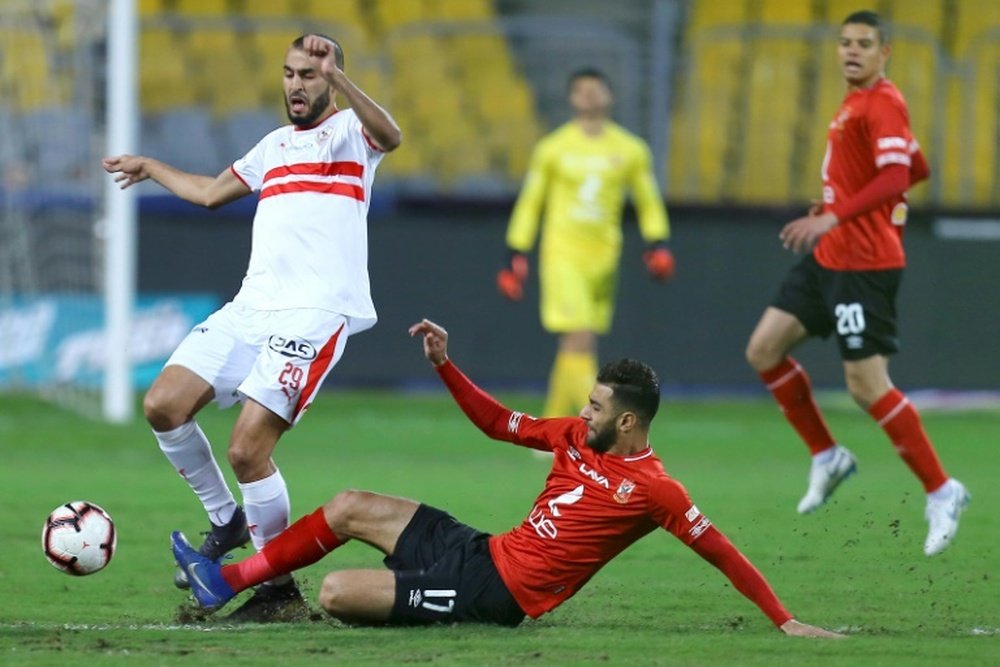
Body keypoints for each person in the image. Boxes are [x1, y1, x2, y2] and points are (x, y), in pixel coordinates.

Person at [172, 318, 842, 638]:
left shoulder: (655, 489)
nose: (584, 412)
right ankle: (223, 579)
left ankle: (393, 601)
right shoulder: (577, 436)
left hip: (499, 595)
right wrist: (445, 363)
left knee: (341, 591)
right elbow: (498, 423)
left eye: (598, 407)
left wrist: (783, 619)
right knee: (349, 504)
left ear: (631, 420)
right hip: (483, 551)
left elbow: (720, 549)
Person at [103, 33, 401, 620]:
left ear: (331, 78)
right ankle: (226, 519)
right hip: (250, 309)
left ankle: (277, 591)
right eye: (290, 73)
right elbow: (212, 192)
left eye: (309, 75)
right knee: (163, 404)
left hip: (316, 314)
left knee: (247, 450)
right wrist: (149, 166)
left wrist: (337, 76)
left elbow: (392, 135)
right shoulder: (272, 147)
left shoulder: (351, 136)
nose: (296, 84)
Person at [745, 11, 969, 557]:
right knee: (764, 350)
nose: (851, 51)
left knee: (867, 387)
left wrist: (837, 215)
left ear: (884, 51)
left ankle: (943, 491)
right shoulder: (855, 103)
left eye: (863, 44)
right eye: (845, 43)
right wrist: (843, 209)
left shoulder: (883, 102)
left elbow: (897, 177)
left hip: (863, 265)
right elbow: (915, 167)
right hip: (830, 258)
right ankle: (827, 455)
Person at [497, 67, 675, 418]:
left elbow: (647, 200)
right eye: (581, 90)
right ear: (572, 98)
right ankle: (599, 423)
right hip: (562, 254)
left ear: (609, 96)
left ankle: (548, 428)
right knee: (579, 337)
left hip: (604, 258)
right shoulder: (554, 148)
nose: (589, 95)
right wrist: (515, 250)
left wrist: (658, 242)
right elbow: (532, 201)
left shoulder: (630, 149)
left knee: (577, 343)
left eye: (596, 89)